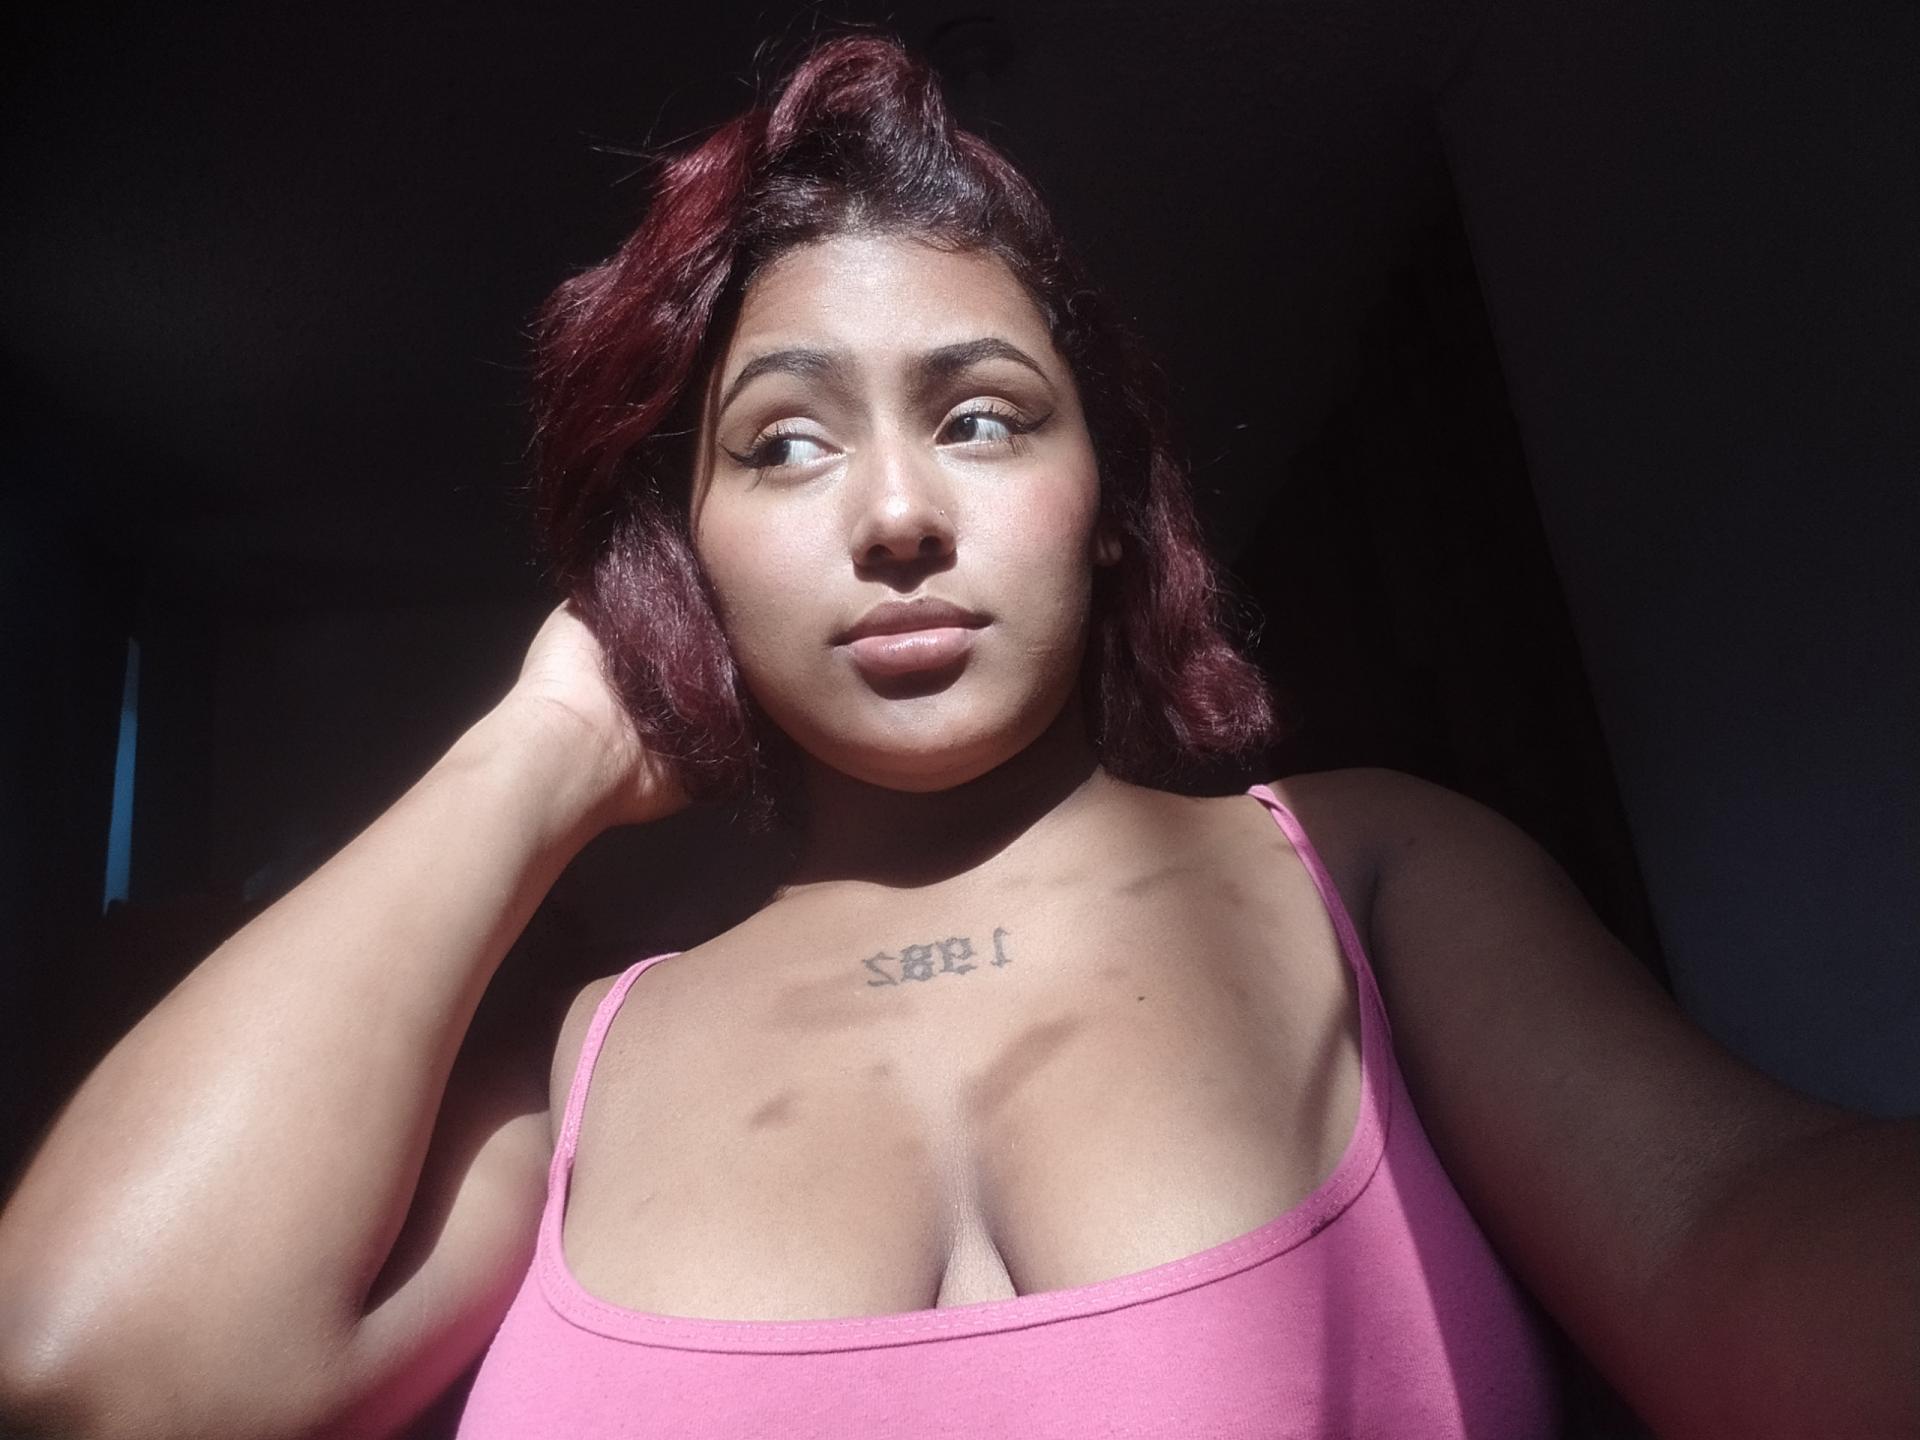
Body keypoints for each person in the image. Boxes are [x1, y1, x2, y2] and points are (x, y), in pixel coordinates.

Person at [1, 31, 1913, 1440]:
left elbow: (1739, 1234)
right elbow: (99, 1374)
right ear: (693, 552)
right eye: (782, 444)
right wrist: (548, 740)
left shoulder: (1370, 874)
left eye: (984, 416)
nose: (897, 514)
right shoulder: (584, 1060)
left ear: (1107, 503)